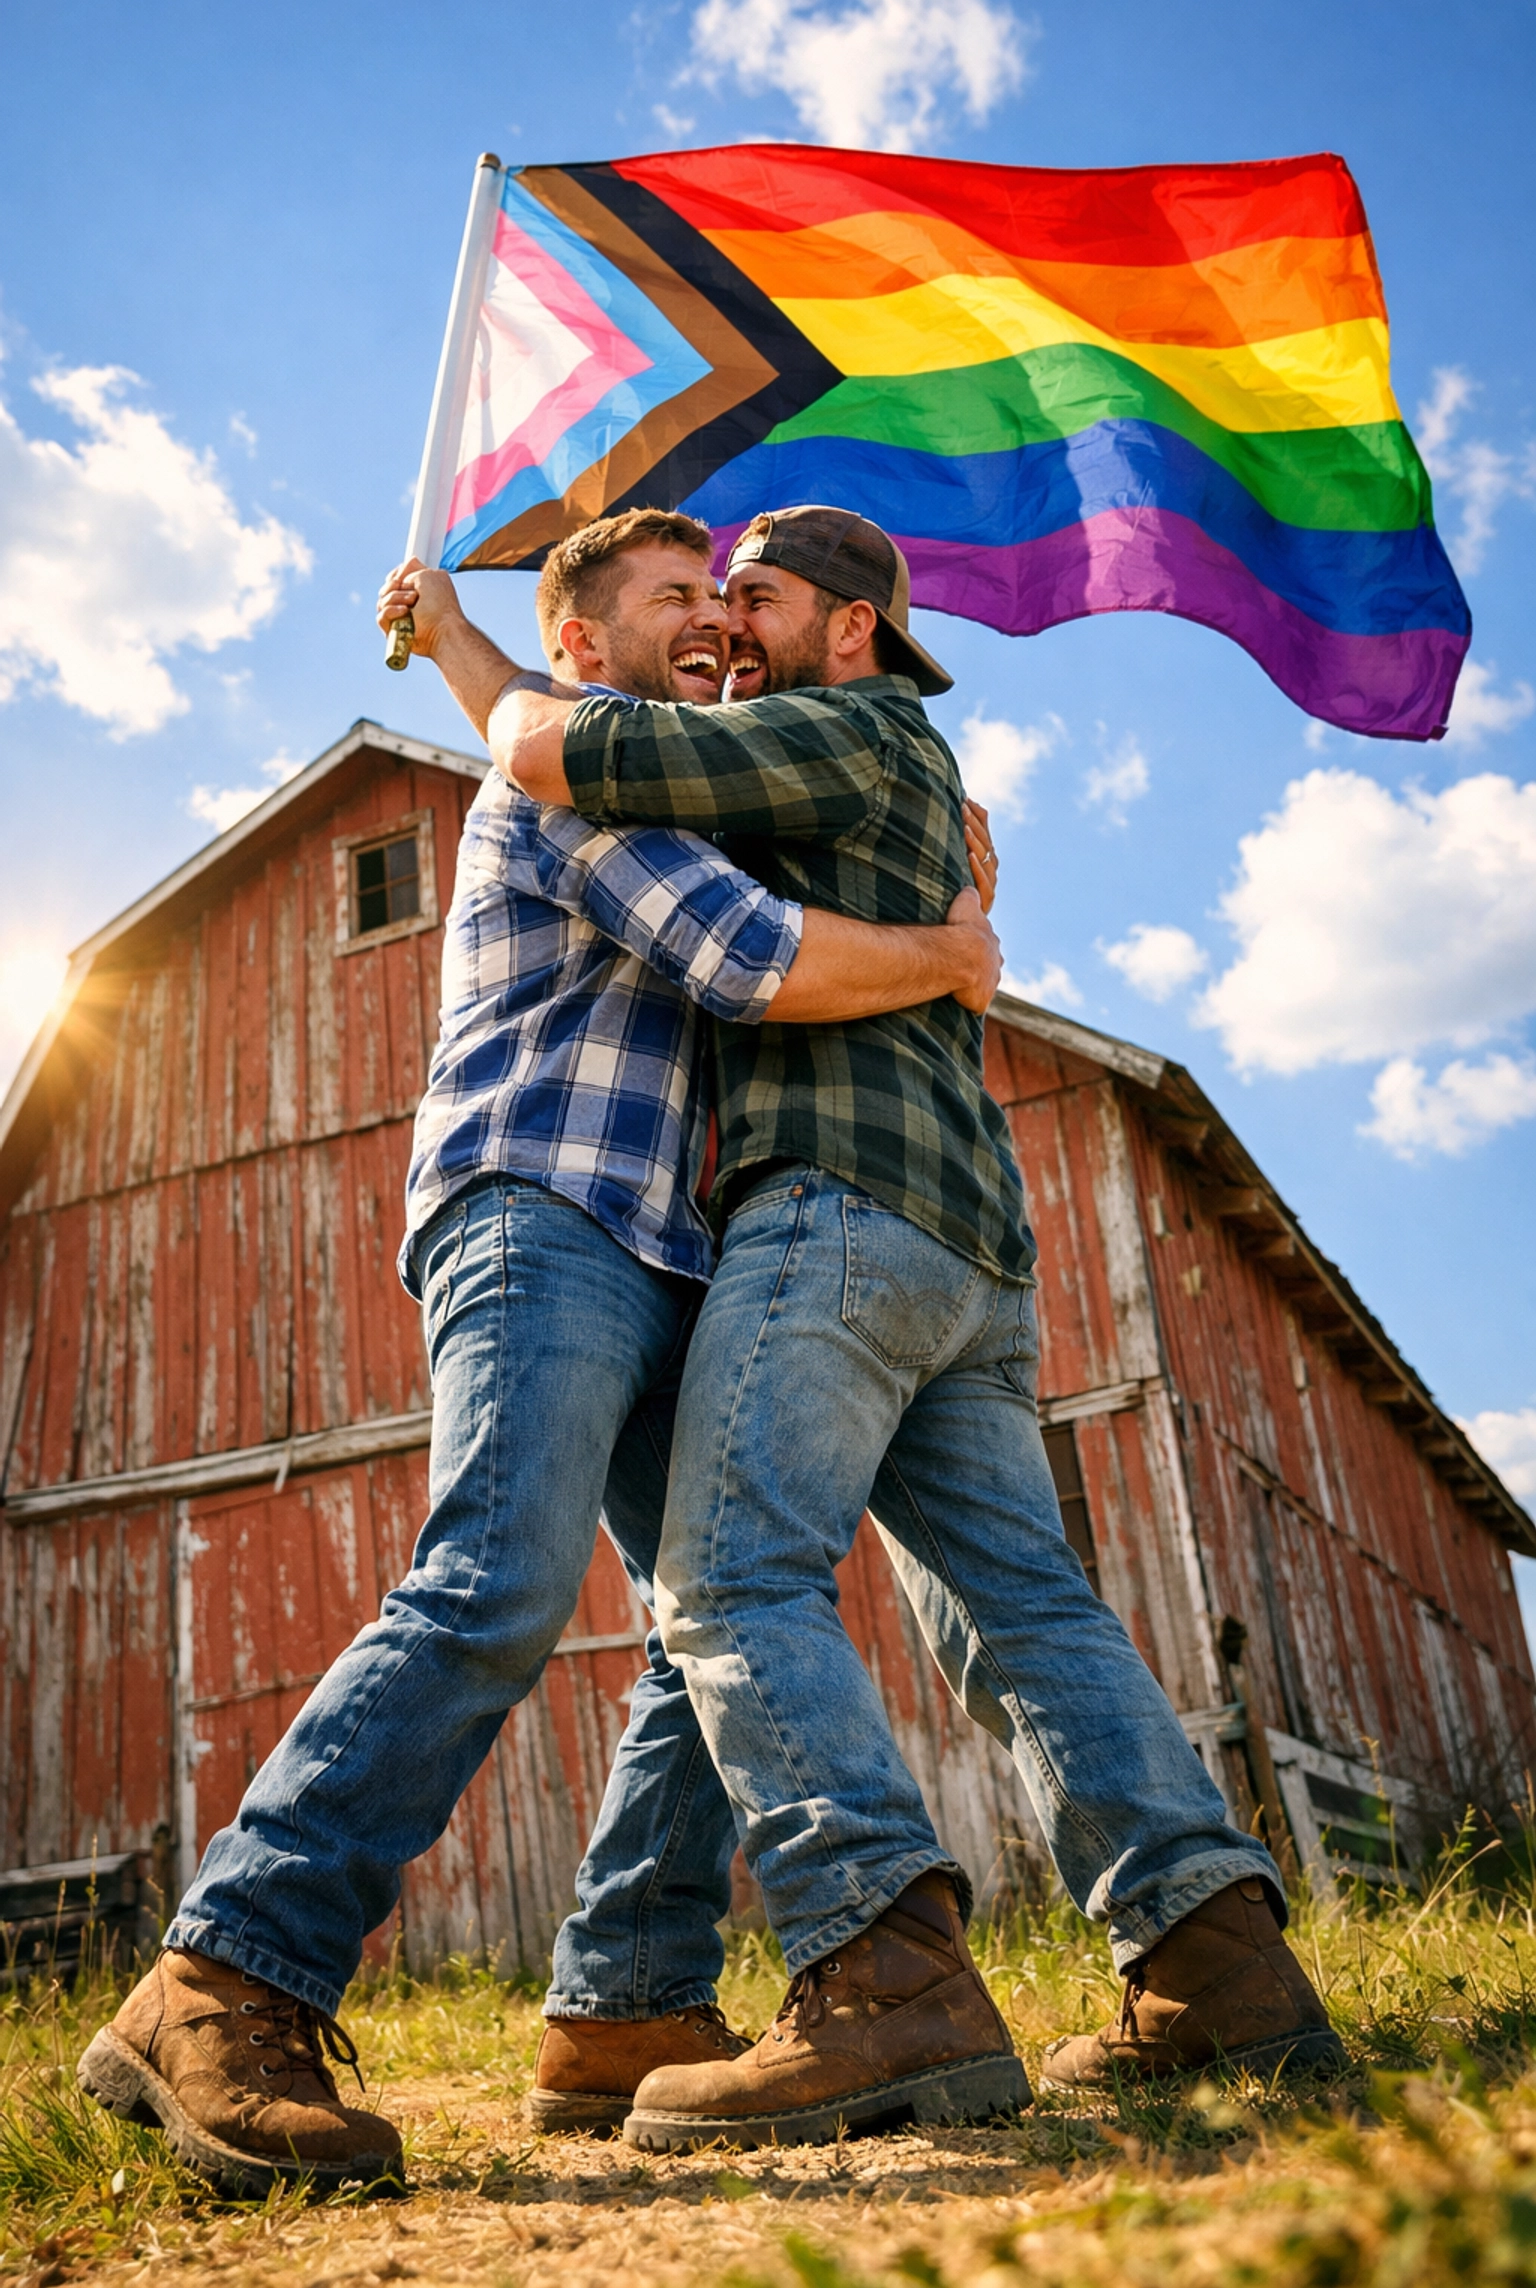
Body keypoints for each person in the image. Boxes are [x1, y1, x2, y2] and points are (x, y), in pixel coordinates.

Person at [78, 509, 1003, 2193]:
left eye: (733, 607)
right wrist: (946, 954)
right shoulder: (572, 780)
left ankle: (625, 2004)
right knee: (496, 1582)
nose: (717, 628)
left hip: (669, 1252)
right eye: (678, 605)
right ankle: (222, 1977)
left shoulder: (683, 782)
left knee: (710, 1620)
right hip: (544, 1210)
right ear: (581, 647)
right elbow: (747, 965)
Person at [496, 503, 1346, 2152]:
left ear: (854, 627)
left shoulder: (842, 727)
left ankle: (883, 1980)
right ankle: (1213, 1963)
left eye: (757, 601)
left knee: (729, 1571)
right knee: (1018, 1607)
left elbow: (588, 760)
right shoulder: (897, 773)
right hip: (970, 1251)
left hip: (837, 1212)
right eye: (711, 602)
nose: (733, 629)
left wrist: (473, 658)